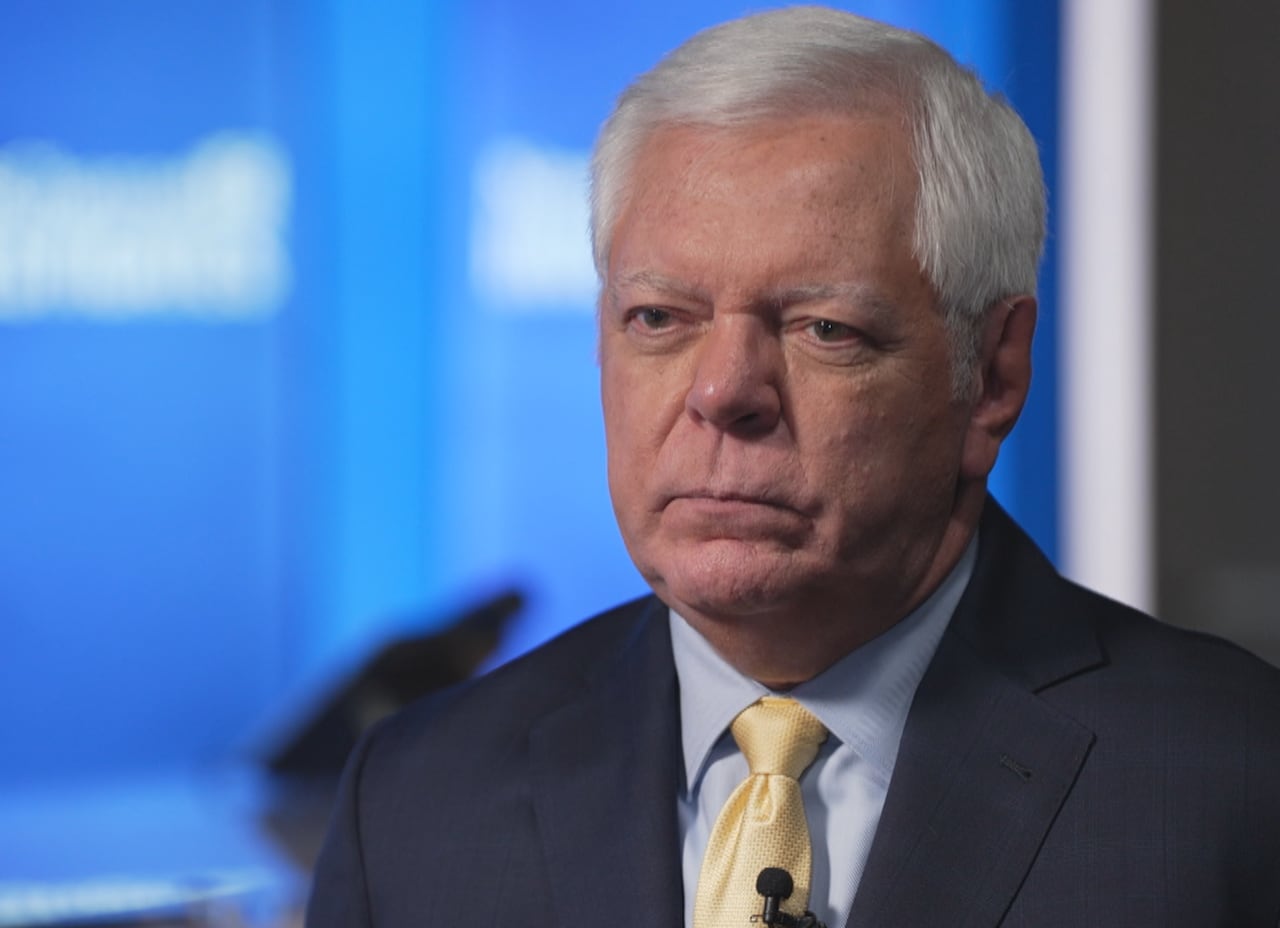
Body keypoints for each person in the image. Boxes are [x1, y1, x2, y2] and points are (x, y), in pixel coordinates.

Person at [306, 7, 1280, 926]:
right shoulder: (412, 806)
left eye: (824, 328)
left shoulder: (1229, 788)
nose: (723, 391)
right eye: (659, 318)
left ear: (989, 375)